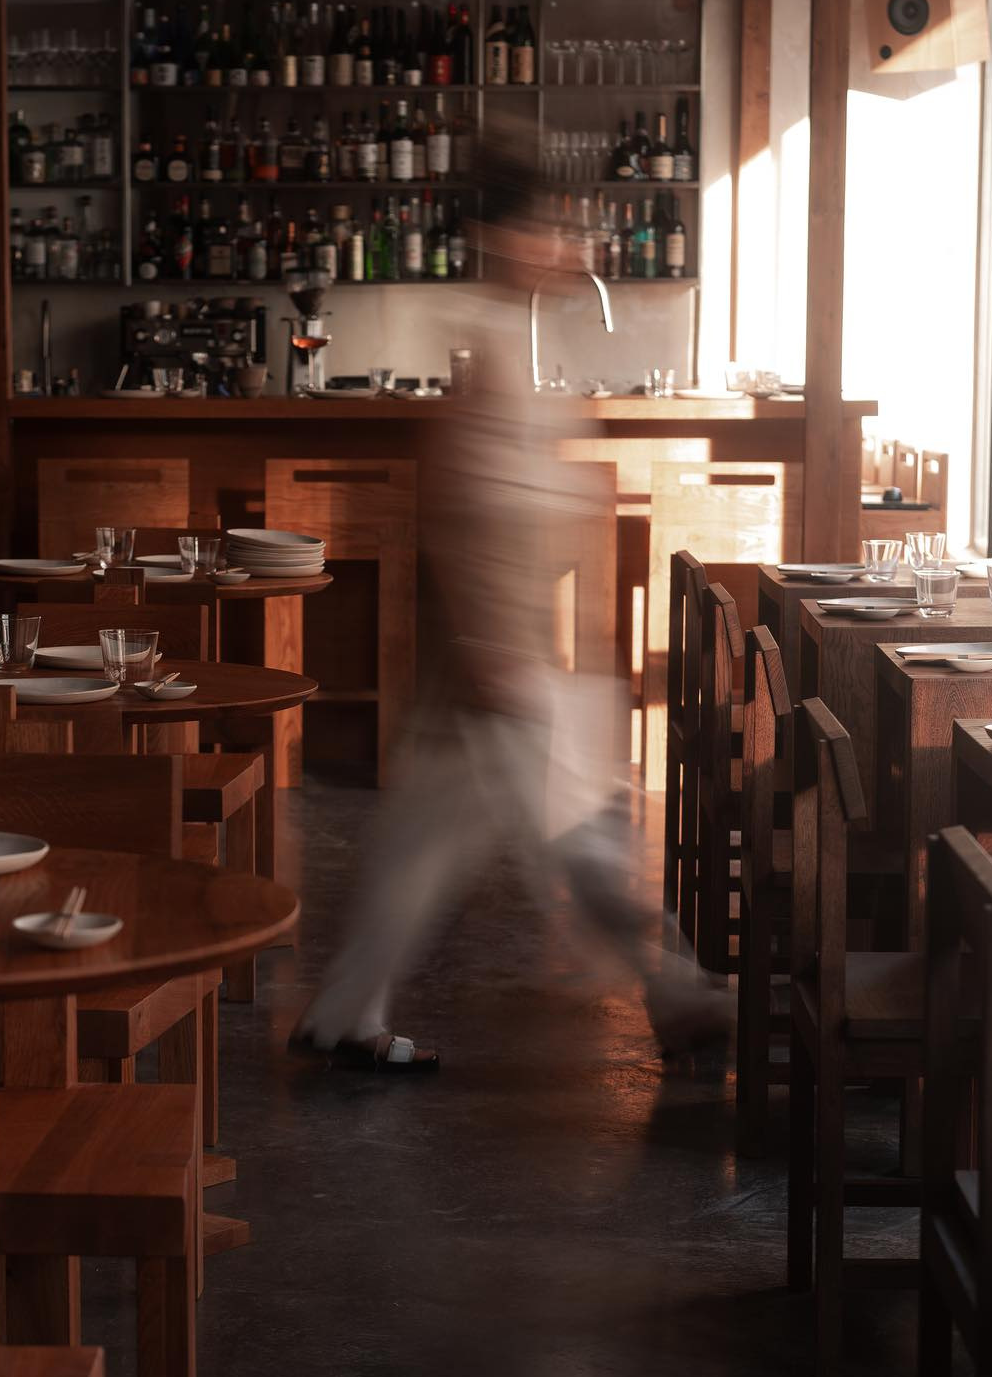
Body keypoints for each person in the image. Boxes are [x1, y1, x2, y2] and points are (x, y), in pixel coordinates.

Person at [289, 132, 730, 1071]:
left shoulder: (509, 338)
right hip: (501, 657)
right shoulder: (489, 342)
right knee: (581, 840)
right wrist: (497, 649)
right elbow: (464, 501)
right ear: (502, 236)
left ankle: (342, 1017)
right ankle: (682, 994)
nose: (562, 245)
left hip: (499, 656)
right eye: (546, 229)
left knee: (426, 849)